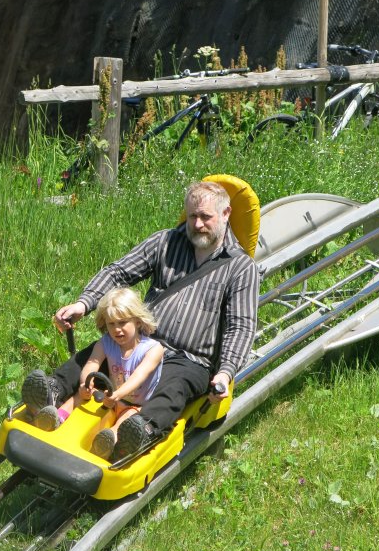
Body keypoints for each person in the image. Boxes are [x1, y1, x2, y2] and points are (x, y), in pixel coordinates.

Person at [22, 180, 260, 459]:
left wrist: (225, 371)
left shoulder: (241, 268)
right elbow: (118, 272)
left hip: (190, 358)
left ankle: (139, 430)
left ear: (226, 214)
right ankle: (51, 391)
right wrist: (83, 304)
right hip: (144, 340)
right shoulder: (165, 242)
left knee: (174, 387)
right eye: (192, 216)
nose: (197, 225)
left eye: (206, 217)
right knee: (99, 351)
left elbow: (240, 325)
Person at [29, 287, 163, 460]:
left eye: (122, 323)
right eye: (111, 324)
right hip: (111, 396)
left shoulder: (152, 349)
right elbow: (92, 363)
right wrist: (86, 383)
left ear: (137, 321)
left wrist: (118, 394)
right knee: (80, 396)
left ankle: (109, 440)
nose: (117, 330)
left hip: (135, 403)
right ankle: (55, 418)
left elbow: (139, 376)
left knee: (129, 417)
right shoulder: (107, 342)